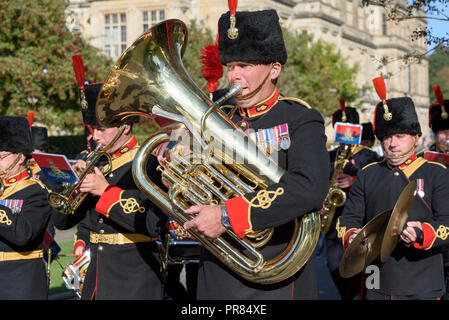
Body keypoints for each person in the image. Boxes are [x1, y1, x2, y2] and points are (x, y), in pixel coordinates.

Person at [179, 8, 330, 299]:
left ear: (274, 69)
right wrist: (178, 161)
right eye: (231, 65)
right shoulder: (216, 117)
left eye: (244, 65)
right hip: (217, 271)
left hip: (275, 274)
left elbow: (309, 187)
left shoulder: (300, 118)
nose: (234, 75)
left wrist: (225, 215)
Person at [51, 58, 167, 300]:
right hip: (97, 276)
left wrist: (105, 192)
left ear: (125, 126)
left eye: (101, 129)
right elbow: (62, 223)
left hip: (134, 275)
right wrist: (73, 185)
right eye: (92, 129)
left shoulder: (148, 163)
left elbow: (152, 222)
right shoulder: (97, 162)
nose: (94, 137)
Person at [336, 78, 449, 300]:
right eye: (387, 137)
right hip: (375, 275)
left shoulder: (437, 173)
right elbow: (347, 220)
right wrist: (351, 236)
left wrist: (422, 232)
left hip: (422, 279)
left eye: (399, 136)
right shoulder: (368, 173)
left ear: (415, 138)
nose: (392, 143)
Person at [323, 101, 382, 300]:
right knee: (335, 269)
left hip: (360, 225)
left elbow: (377, 185)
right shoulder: (330, 155)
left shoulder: (370, 156)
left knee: (360, 281)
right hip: (333, 229)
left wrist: (354, 179)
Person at [0, 116, 53, 299]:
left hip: (21, 282)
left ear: (21, 156)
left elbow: (23, 234)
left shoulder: (36, 192)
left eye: (1, 156)